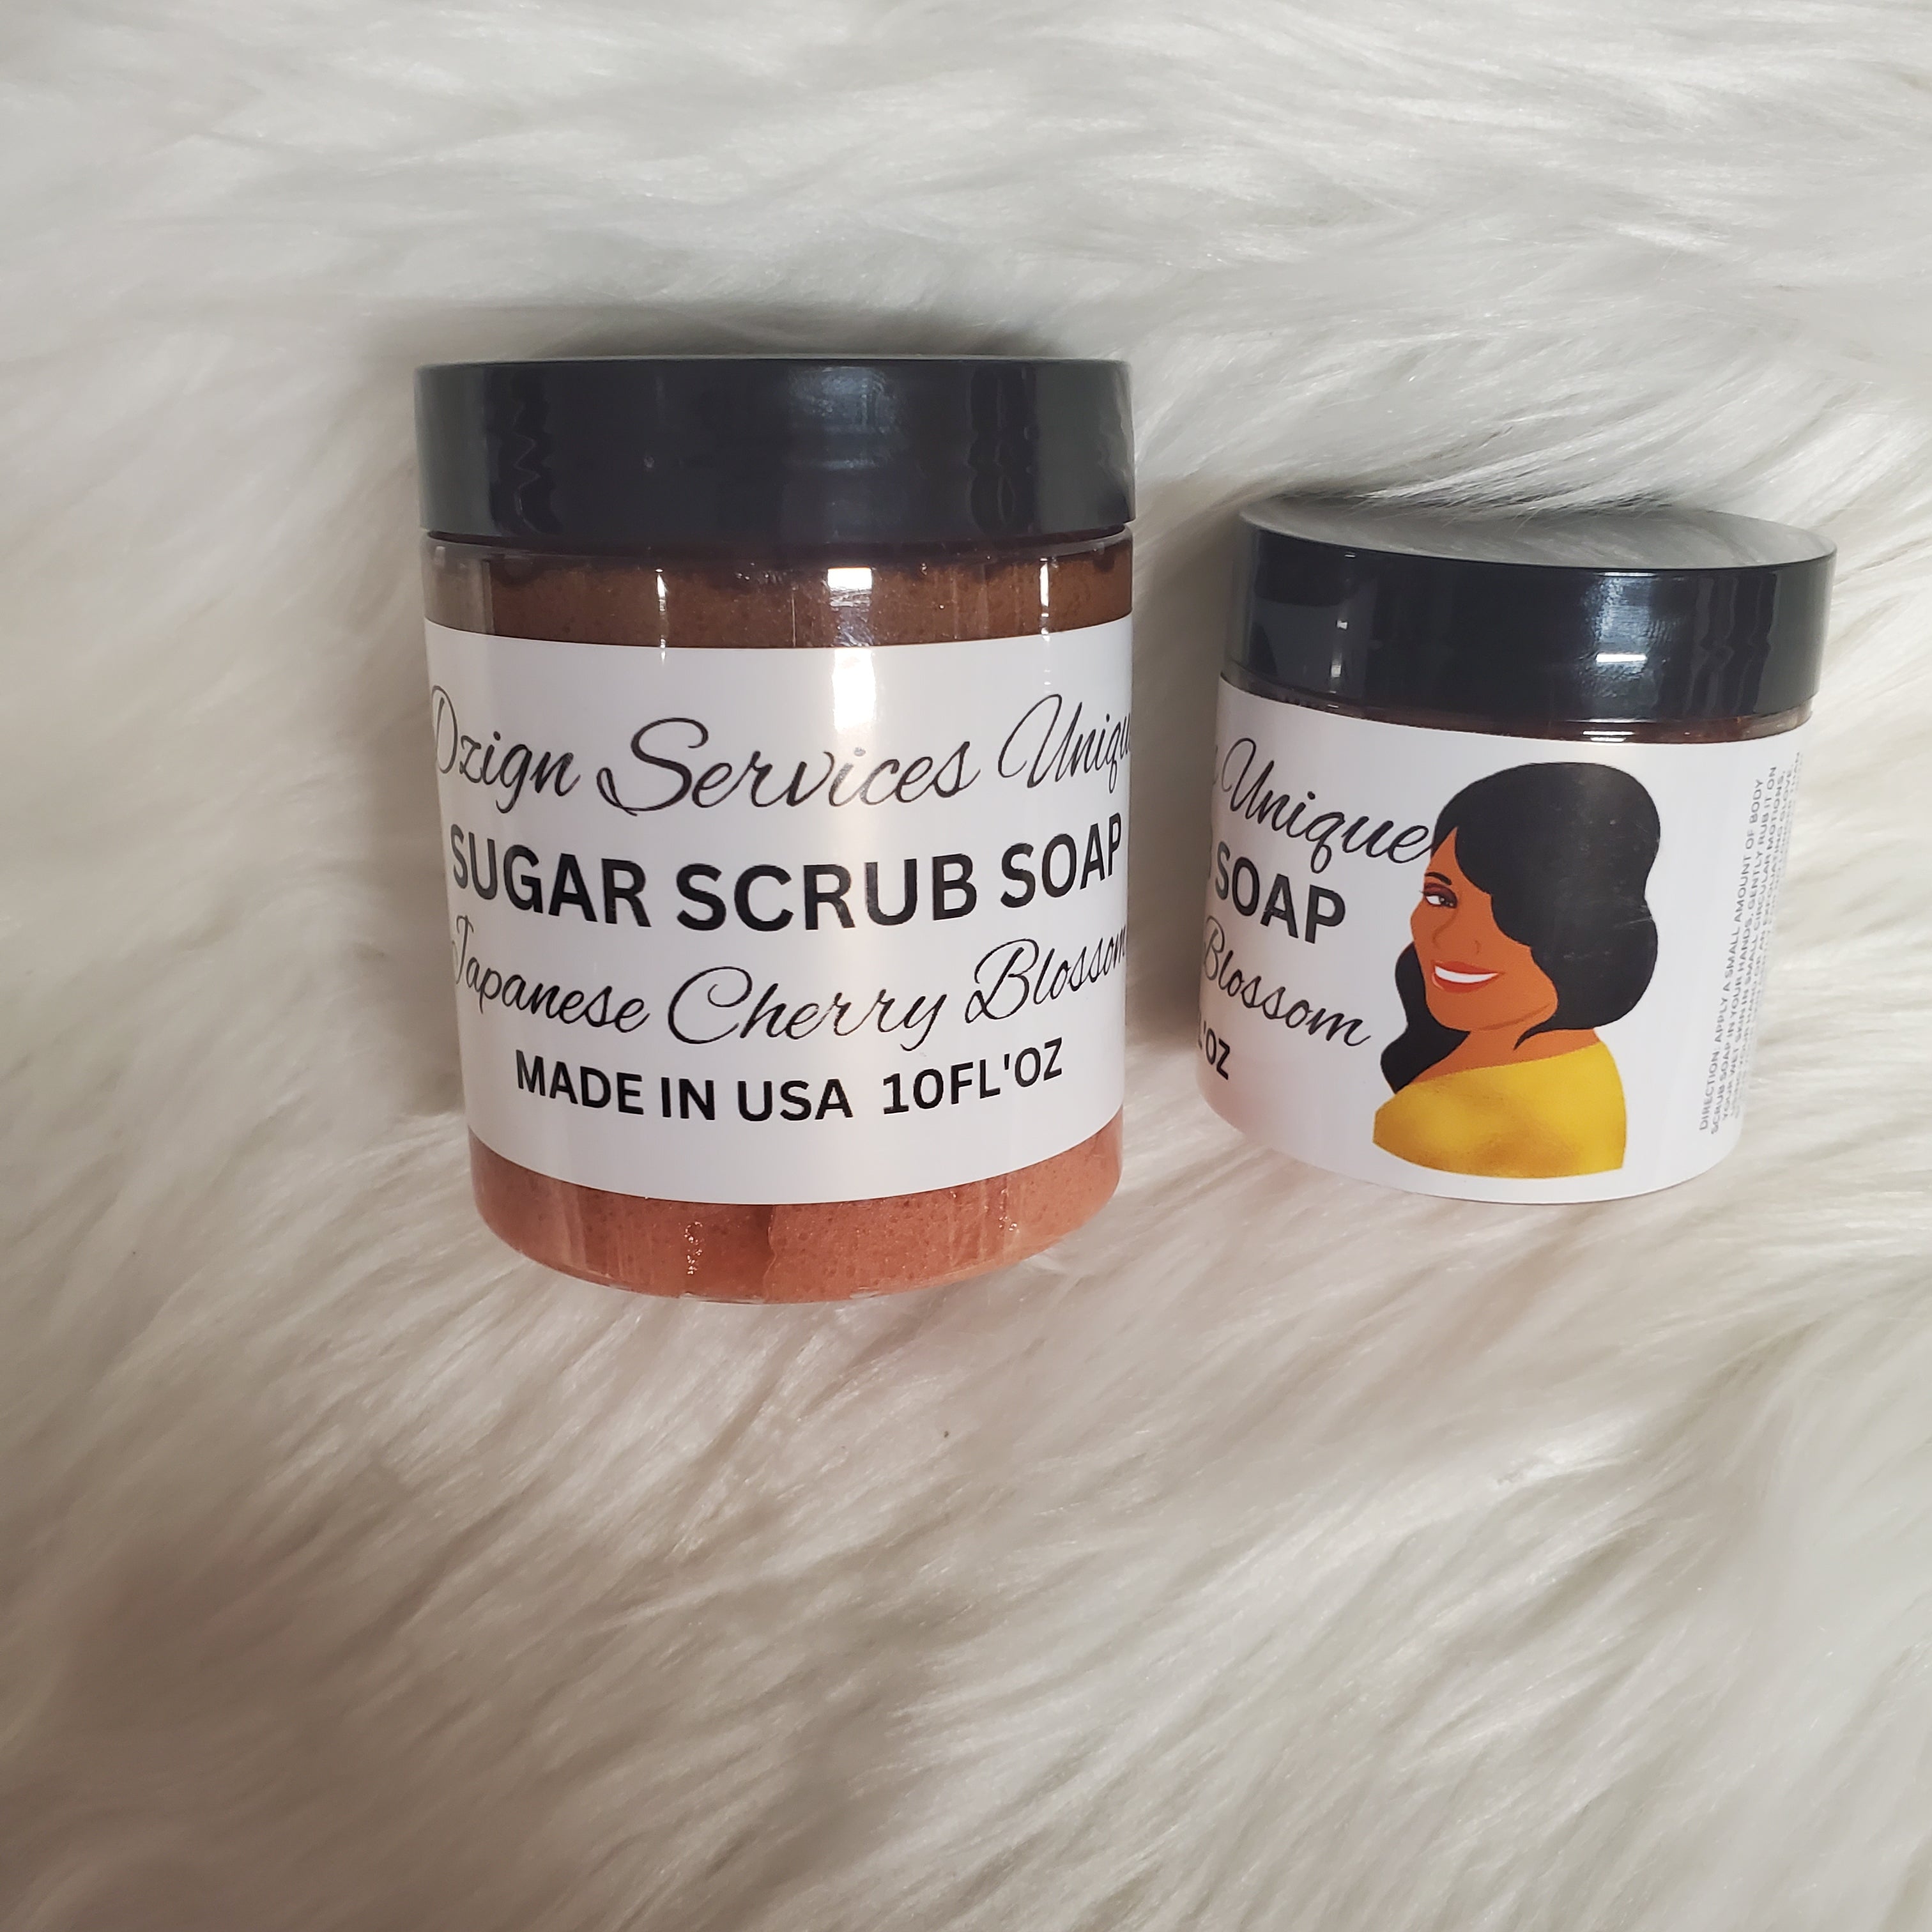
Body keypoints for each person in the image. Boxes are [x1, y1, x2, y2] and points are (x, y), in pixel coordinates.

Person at [1372, 763, 1660, 1180]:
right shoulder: (1582, 1059)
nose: (1453, 939)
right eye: (1441, 897)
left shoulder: (1429, 1125)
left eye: (1518, 909)